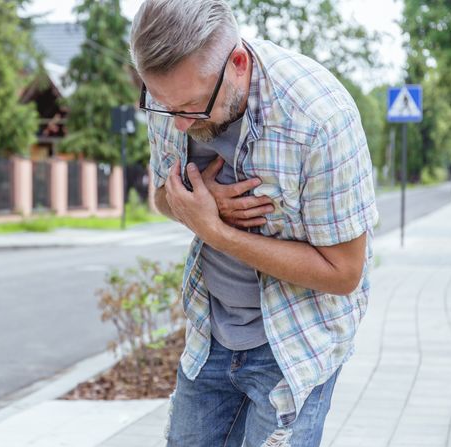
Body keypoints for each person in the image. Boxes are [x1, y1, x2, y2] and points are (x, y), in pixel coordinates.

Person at [129, 1, 379, 446]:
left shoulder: (320, 120)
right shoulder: (171, 102)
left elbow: (345, 273)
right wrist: (208, 209)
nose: (180, 124)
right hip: (211, 333)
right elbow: (163, 199)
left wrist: (216, 231)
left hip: (294, 342)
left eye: (191, 108)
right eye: (163, 106)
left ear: (238, 64)